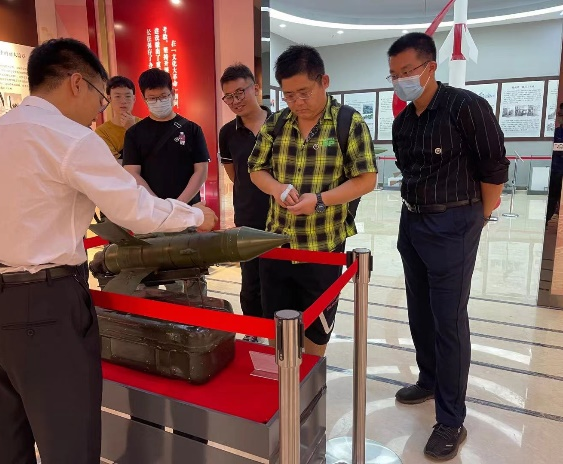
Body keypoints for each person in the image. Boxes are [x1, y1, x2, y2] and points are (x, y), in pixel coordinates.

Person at [0, 38, 216, 464]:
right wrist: (197, 216)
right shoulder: (71, 139)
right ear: (77, 82)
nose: (99, 111)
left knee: (2, 445)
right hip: (44, 306)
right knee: (68, 443)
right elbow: (135, 210)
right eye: (99, 97)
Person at [387, 32, 509, 460]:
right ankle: (429, 379)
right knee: (419, 310)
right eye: (394, 74)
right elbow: (408, 169)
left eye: (408, 71)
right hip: (412, 221)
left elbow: (494, 167)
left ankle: (451, 420)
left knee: (449, 321)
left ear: (430, 67)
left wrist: (479, 216)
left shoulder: (465, 106)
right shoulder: (404, 121)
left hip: (454, 222)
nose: (401, 80)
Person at [248, 45, 377, 357]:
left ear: (324, 81)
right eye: (289, 95)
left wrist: (319, 200)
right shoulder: (276, 123)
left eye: (304, 92)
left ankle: (312, 384)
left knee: (316, 331)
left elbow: (366, 179)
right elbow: (256, 169)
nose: (297, 103)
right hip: (277, 245)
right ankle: (283, 384)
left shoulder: (348, 122)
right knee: (277, 328)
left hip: (323, 247)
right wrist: (277, 188)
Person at [123, 68, 210, 297]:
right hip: (149, 214)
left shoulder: (192, 129)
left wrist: (178, 205)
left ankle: (194, 315)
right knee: (149, 273)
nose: (158, 102)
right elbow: (132, 173)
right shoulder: (134, 133)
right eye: (152, 98)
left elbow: (201, 171)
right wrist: (158, 204)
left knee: (191, 272)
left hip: (187, 213)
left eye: (163, 96)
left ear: (172, 94)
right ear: (144, 98)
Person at [218, 63, 271, 343]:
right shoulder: (227, 133)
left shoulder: (281, 124)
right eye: (228, 97)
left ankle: (280, 330)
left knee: (281, 276)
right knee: (251, 279)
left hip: (283, 214)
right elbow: (233, 173)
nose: (235, 101)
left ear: (256, 88)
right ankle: (254, 330)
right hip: (248, 214)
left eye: (240, 92)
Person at [95, 75, 141, 161]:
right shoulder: (102, 132)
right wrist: (132, 132)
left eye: (128, 96)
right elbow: (116, 162)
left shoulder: (145, 125)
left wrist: (132, 129)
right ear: (109, 98)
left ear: (134, 99)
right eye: (117, 96)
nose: (123, 101)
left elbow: (151, 156)